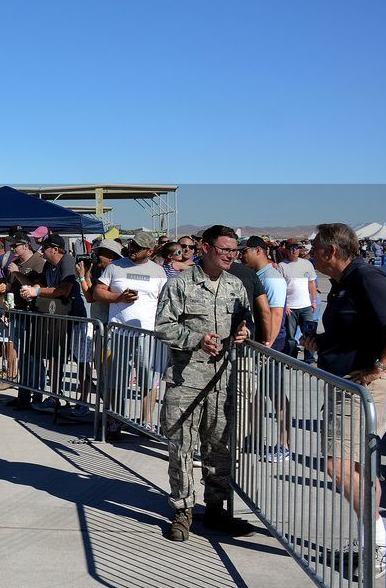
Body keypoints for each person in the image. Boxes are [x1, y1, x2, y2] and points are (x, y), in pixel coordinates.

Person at [303, 224, 386, 577]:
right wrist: (322, 344)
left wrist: (379, 366)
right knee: (357, 467)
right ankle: (372, 539)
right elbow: (355, 330)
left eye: (314, 249)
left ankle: (376, 542)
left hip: (363, 386)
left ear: (331, 252)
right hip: (346, 382)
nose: (309, 254)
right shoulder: (344, 283)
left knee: (339, 466)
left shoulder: (367, 277)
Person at [154, 224, 254, 542]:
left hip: (223, 380)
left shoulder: (236, 285)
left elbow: (244, 320)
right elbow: (163, 326)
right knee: (181, 447)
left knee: (219, 449)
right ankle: (183, 510)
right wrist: (197, 339)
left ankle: (215, 509)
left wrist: (243, 332)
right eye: (225, 249)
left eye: (235, 250)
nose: (231, 255)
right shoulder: (180, 285)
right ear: (206, 248)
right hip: (187, 379)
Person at [95, 230, 169, 432]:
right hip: (119, 332)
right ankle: (115, 419)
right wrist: (118, 298)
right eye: (132, 245)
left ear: (150, 250)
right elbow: (98, 292)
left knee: (148, 379)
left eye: (138, 247)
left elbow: (164, 301)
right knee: (116, 378)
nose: (132, 249)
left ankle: (145, 423)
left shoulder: (158, 272)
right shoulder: (114, 267)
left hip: (148, 334)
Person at [20, 234, 91, 417]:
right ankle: (54, 396)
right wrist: (27, 287)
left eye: (45, 248)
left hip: (76, 318)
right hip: (57, 318)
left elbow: (64, 290)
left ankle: (83, 402)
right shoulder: (49, 265)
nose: (42, 252)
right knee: (55, 357)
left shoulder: (67, 260)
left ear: (55, 249)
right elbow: (40, 284)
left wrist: (36, 291)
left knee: (81, 361)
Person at [241, 237, 292, 462]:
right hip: (260, 344)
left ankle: (284, 444)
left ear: (258, 250)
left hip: (270, 344)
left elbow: (276, 314)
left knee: (276, 394)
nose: (241, 255)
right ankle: (255, 436)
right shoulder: (258, 275)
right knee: (256, 393)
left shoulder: (272, 278)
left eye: (245, 251)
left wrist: (268, 346)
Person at [6, 234, 47, 410]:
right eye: (12, 245)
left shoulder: (38, 261)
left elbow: (34, 287)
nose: (13, 248)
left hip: (32, 314)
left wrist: (16, 272)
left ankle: (36, 395)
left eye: (16, 245)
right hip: (17, 312)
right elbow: (11, 286)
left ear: (25, 245)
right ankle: (23, 394)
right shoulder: (16, 263)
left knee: (34, 357)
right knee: (23, 356)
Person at [280, 239, 319, 363]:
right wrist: (285, 305)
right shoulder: (282, 266)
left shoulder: (307, 264)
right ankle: (292, 359)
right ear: (287, 250)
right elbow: (280, 287)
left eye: (296, 248)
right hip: (291, 308)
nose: (294, 251)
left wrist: (313, 301)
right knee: (291, 336)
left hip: (306, 306)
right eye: (291, 248)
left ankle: (309, 358)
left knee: (309, 334)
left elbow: (312, 283)